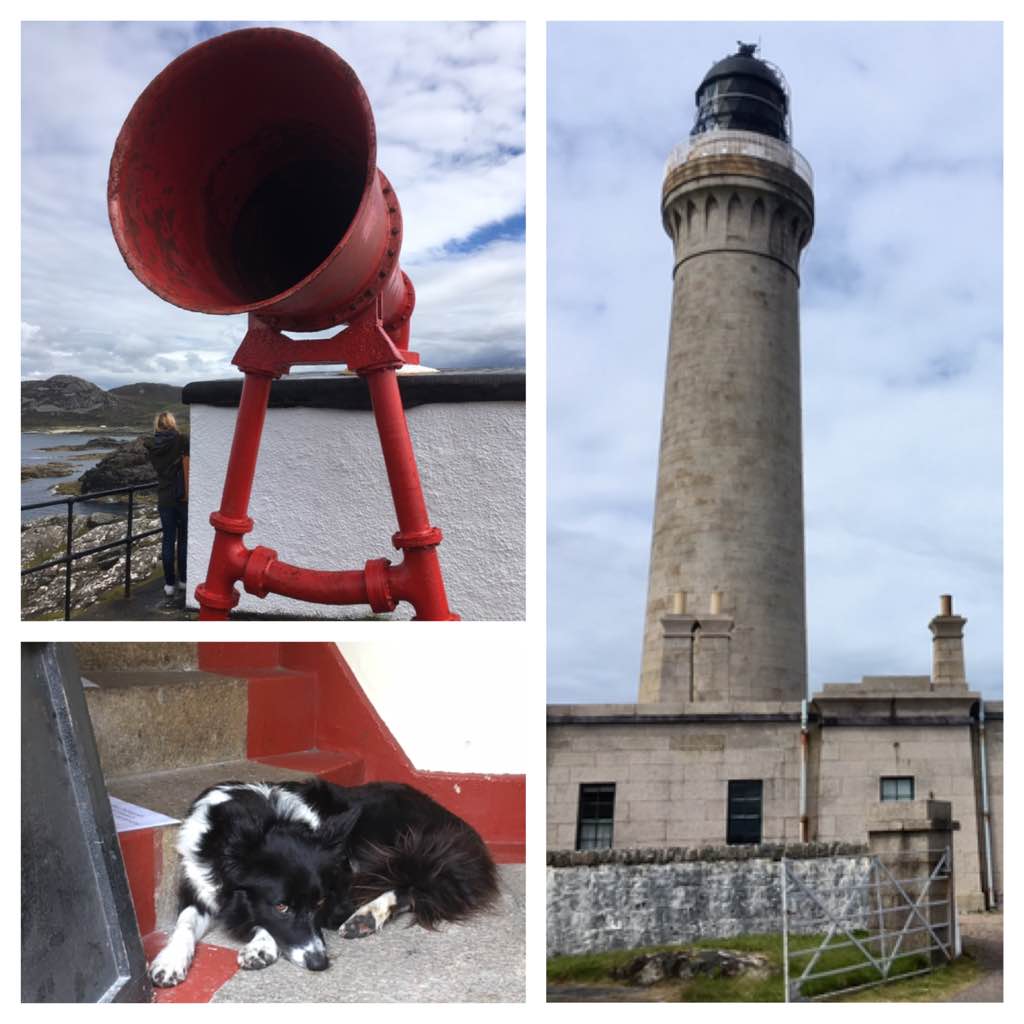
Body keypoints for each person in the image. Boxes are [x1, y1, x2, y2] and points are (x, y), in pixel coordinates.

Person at [143, 412, 189, 597]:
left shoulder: (153, 446)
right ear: (172, 423)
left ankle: (169, 584)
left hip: (164, 498)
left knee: (168, 540)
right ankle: (184, 580)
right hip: (183, 497)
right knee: (184, 539)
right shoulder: (182, 440)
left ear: (157, 425)